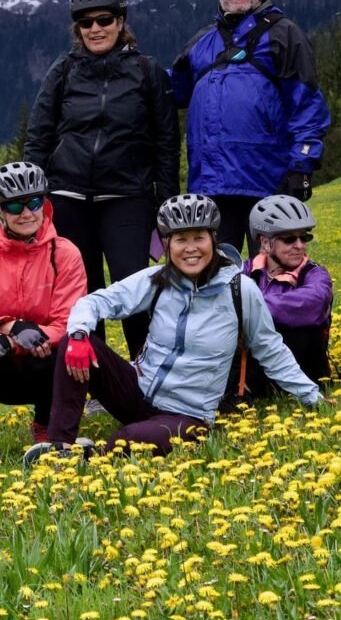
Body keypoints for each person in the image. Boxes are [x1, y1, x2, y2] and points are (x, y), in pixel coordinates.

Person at [24, 193, 323, 465]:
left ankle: (89, 456)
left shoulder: (239, 290)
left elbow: (271, 349)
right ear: (167, 244)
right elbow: (95, 303)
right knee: (74, 341)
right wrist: (78, 335)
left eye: (198, 238)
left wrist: (313, 397)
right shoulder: (157, 279)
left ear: (213, 239)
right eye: (180, 240)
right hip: (137, 392)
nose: (190, 249)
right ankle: (60, 444)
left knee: (126, 440)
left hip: (188, 415)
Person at [24, 0, 182, 358]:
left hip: (129, 197)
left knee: (134, 285)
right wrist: (32, 198)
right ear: (77, 29)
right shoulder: (62, 72)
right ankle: (95, 377)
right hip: (68, 196)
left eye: (104, 20)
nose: (95, 28)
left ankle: (145, 374)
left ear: (121, 21)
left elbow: (166, 142)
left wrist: (168, 203)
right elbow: (39, 136)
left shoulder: (147, 71)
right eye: (85, 22)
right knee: (82, 290)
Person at [169, 0, 331, 257]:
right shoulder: (201, 43)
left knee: (275, 282)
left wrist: (303, 165)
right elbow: (169, 94)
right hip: (211, 186)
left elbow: (307, 105)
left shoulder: (284, 34)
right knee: (213, 283)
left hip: (269, 183)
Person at [0, 160, 88, 475]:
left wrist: (36, 336)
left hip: (43, 367)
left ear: (45, 203)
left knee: (62, 348)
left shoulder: (64, 254)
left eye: (34, 202)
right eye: (14, 205)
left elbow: (69, 320)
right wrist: (6, 329)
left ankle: (45, 427)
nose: (26, 212)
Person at [238, 194, 334, 400]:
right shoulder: (244, 271)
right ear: (265, 243)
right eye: (289, 239)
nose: (299, 245)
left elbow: (312, 305)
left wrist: (248, 307)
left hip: (305, 370)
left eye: (304, 237)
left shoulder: (316, 274)